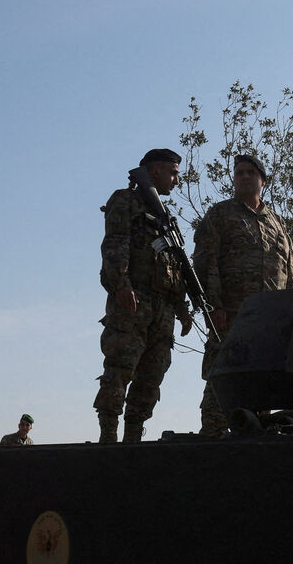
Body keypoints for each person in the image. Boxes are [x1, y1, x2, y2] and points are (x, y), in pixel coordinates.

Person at [192, 153, 293, 437]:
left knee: (262, 381)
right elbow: (205, 262)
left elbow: (289, 272)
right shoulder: (221, 214)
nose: (244, 177)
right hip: (231, 314)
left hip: (270, 321)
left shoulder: (277, 223)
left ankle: (254, 438)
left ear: (263, 181)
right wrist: (214, 306)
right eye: (239, 172)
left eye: (251, 172)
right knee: (223, 378)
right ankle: (212, 438)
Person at [96, 148, 194, 443]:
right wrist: (121, 285)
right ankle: (109, 438)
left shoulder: (165, 216)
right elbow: (114, 245)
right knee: (120, 368)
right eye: (173, 172)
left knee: (152, 377)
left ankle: (134, 440)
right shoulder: (126, 201)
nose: (177, 180)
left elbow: (174, 265)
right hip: (134, 301)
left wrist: (182, 308)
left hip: (162, 309)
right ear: (156, 172)